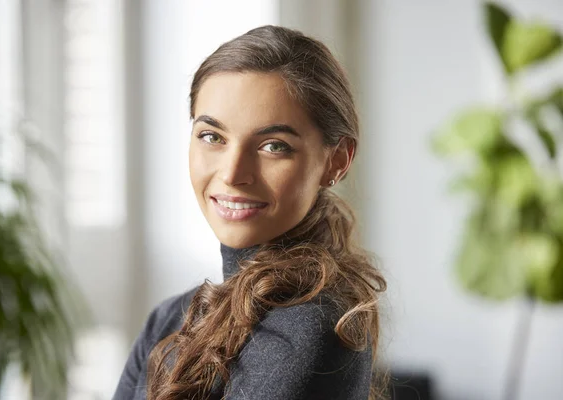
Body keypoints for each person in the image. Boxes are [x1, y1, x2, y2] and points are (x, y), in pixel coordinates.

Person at [113, 25, 387, 400]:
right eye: (212, 136)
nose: (232, 173)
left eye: (274, 146)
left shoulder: (310, 327)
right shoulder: (168, 320)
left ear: (336, 161)